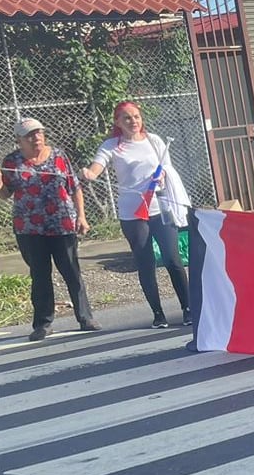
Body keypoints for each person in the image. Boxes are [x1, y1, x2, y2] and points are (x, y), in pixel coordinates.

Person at [81, 100, 191, 329]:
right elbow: (97, 166)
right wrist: (90, 174)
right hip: (132, 214)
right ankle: (158, 314)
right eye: (127, 118)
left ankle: (188, 308)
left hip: (160, 209)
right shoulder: (112, 145)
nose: (133, 121)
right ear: (118, 122)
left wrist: (163, 176)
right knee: (145, 263)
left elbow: (168, 168)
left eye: (136, 117)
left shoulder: (155, 141)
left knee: (173, 259)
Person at [0, 117, 98, 340]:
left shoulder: (58, 155)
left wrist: (81, 216)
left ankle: (85, 317)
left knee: (71, 271)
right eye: (30, 135)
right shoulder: (12, 161)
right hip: (30, 228)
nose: (36, 137)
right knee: (40, 275)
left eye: (39, 132)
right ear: (19, 140)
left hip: (62, 224)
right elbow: (5, 194)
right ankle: (43, 323)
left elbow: (74, 187)